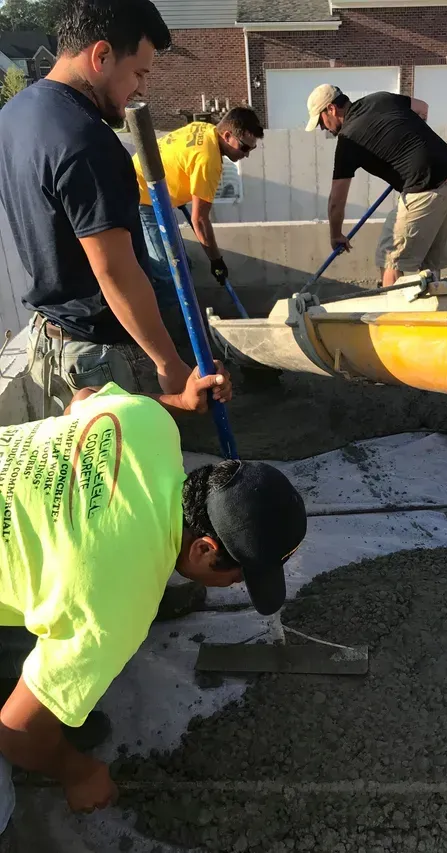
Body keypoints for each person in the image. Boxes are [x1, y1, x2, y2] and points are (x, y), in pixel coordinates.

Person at [0, 369, 307, 826]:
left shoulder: (148, 421)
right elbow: (15, 732)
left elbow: (82, 398)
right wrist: (78, 773)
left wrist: (180, 401)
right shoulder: (112, 608)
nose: (240, 587)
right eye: (242, 577)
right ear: (205, 550)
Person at [0, 0, 194, 411]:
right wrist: (169, 364)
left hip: (49, 343)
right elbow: (116, 271)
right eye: (139, 73)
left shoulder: (14, 115)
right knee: (131, 469)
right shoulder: (87, 141)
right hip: (95, 358)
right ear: (101, 55)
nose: (141, 89)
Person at [306, 85, 447, 288]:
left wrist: (336, 235)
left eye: (320, 121)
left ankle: (393, 316)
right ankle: (432, 311)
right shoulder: (380, 99)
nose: (322, 127)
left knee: (390, 258)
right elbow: (422, 108)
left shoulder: (348, 141)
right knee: (429, 263)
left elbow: (336, 201)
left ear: (331, 109)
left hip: (425, 190)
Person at [133, 108, 264, 306]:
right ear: (227, 136)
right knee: (169, 274)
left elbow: (180, 159)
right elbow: (200, 220)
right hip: (142, 197)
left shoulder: (204, 128)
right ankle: (174, 331)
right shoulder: (209, 160)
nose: (246, 155)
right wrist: (216, 261)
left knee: (184, 265)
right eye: (244, 148)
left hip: (155, 194)